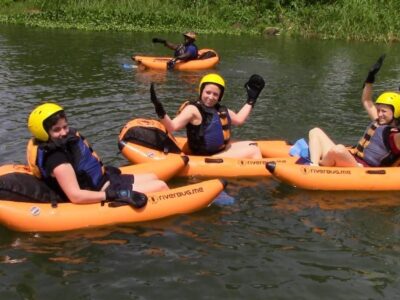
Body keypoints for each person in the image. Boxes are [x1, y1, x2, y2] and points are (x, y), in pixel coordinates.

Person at [26, 103, 168, 207]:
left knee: (153, 177)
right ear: (43, 133)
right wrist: (116, 195)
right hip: (100, 191)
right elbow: (76, 196)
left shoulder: (63, 143)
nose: (63, 133)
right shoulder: (57, 160)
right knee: (160, 186)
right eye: (56, 130)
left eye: (65, 127)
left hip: (105, 180)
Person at [308, 54, 400, 167]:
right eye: (378, 110)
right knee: (315, 132)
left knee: (339, 150)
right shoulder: (379, 120)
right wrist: (370, 78)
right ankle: (314, 164)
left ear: (395, 112)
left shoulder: (394, 135)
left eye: (384, 111)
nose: (379, 114)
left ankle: (318, 168)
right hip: (352, 159)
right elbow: (366, 101)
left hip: (362, 169)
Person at [149, 73, 265, 159]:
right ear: (201, 91)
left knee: (252, 143)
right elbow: (172, 127)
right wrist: (159, 109)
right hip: (206, 156)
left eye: (215, 94)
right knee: (253, 151)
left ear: (220, 96)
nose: (211, 97)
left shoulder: (220, 109)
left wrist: (251, 99)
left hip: (219, 151)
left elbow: (239, 120)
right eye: (208, 92)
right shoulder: (193, 109)